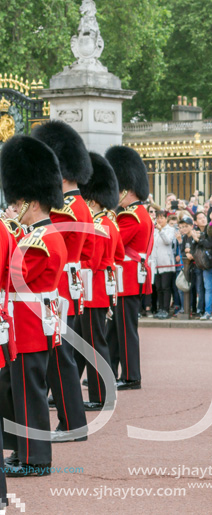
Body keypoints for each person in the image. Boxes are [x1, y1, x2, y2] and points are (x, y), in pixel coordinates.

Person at [0, 135, 67, 476]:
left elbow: (14, 277)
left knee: (30, 393)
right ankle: (23, 451)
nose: (14, 207)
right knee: (20, 390)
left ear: (32, 202)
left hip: (28, 323)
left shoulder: (40, 239)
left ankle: (37, 459)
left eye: (18, 202)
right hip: (25, 322)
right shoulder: (34, 235)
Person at [33, 121, 93, 442]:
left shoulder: (67, 209)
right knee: (58, 354)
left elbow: (42, 239)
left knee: (59, 356)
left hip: (55, 286)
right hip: (65, 284)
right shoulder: (76, 205)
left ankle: (72, 423)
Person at [105, 145, 154, 391]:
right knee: (115, 330)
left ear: (126, 190)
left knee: (126, 331)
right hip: (128, 278)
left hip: (127, 278)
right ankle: (109, 370)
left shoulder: (130, 216)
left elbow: (114, 242)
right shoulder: (137, 212)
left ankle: (132, 376)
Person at [79, 152, 122, 411]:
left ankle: (101, 395)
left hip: (93, 290)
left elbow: (91, 263)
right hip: (99, 288)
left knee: (95, 344)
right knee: (93, 342)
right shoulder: (109, 223)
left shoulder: (97, 226)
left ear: (92, 200)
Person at [151, 210, 177, 319]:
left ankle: (166, 309)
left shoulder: (170, 230)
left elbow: (167, 241)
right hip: (156, 264)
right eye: (158, 218)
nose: (159, 220)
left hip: (166, 263)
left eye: (162, 218)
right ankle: (160, 308)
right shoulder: (154, 231)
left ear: (166, 219)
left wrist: (161, 230)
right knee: (158, 288)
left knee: (166, 287)